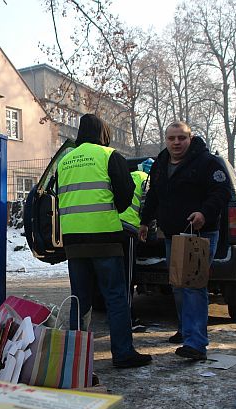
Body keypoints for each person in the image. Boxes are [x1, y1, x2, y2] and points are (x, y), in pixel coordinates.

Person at [58, 114, 152, 368]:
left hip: (74, 243)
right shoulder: (109, 156)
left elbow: (59, 198)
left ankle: (76, 358)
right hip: (105, 240)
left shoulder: (64, 161)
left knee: (80, 299)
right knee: (115, 297)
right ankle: (122, 353)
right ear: (104, 132)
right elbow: (124, 198)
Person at [138, 122, 231, 361]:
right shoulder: (160, 163)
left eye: (181, 138)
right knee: (179, 284)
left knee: (192, 285)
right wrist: (145, 221)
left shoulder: (207, 163)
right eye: (171, 138)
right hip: (173, 235)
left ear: (190, 138)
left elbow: (222, 193)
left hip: (199, 234)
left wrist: (204, 213)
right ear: (166, 140)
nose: (176, 142)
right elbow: (154, 195)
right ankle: (186, 330)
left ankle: (196, 343)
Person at [119, 159, 153, 332]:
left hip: (113, 226)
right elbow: (148, 207)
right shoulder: (147, 180)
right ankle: (128, 319)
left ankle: (118, 317)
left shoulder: (130, 175)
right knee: (128, 277)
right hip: (130, 230)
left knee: (117, 276)